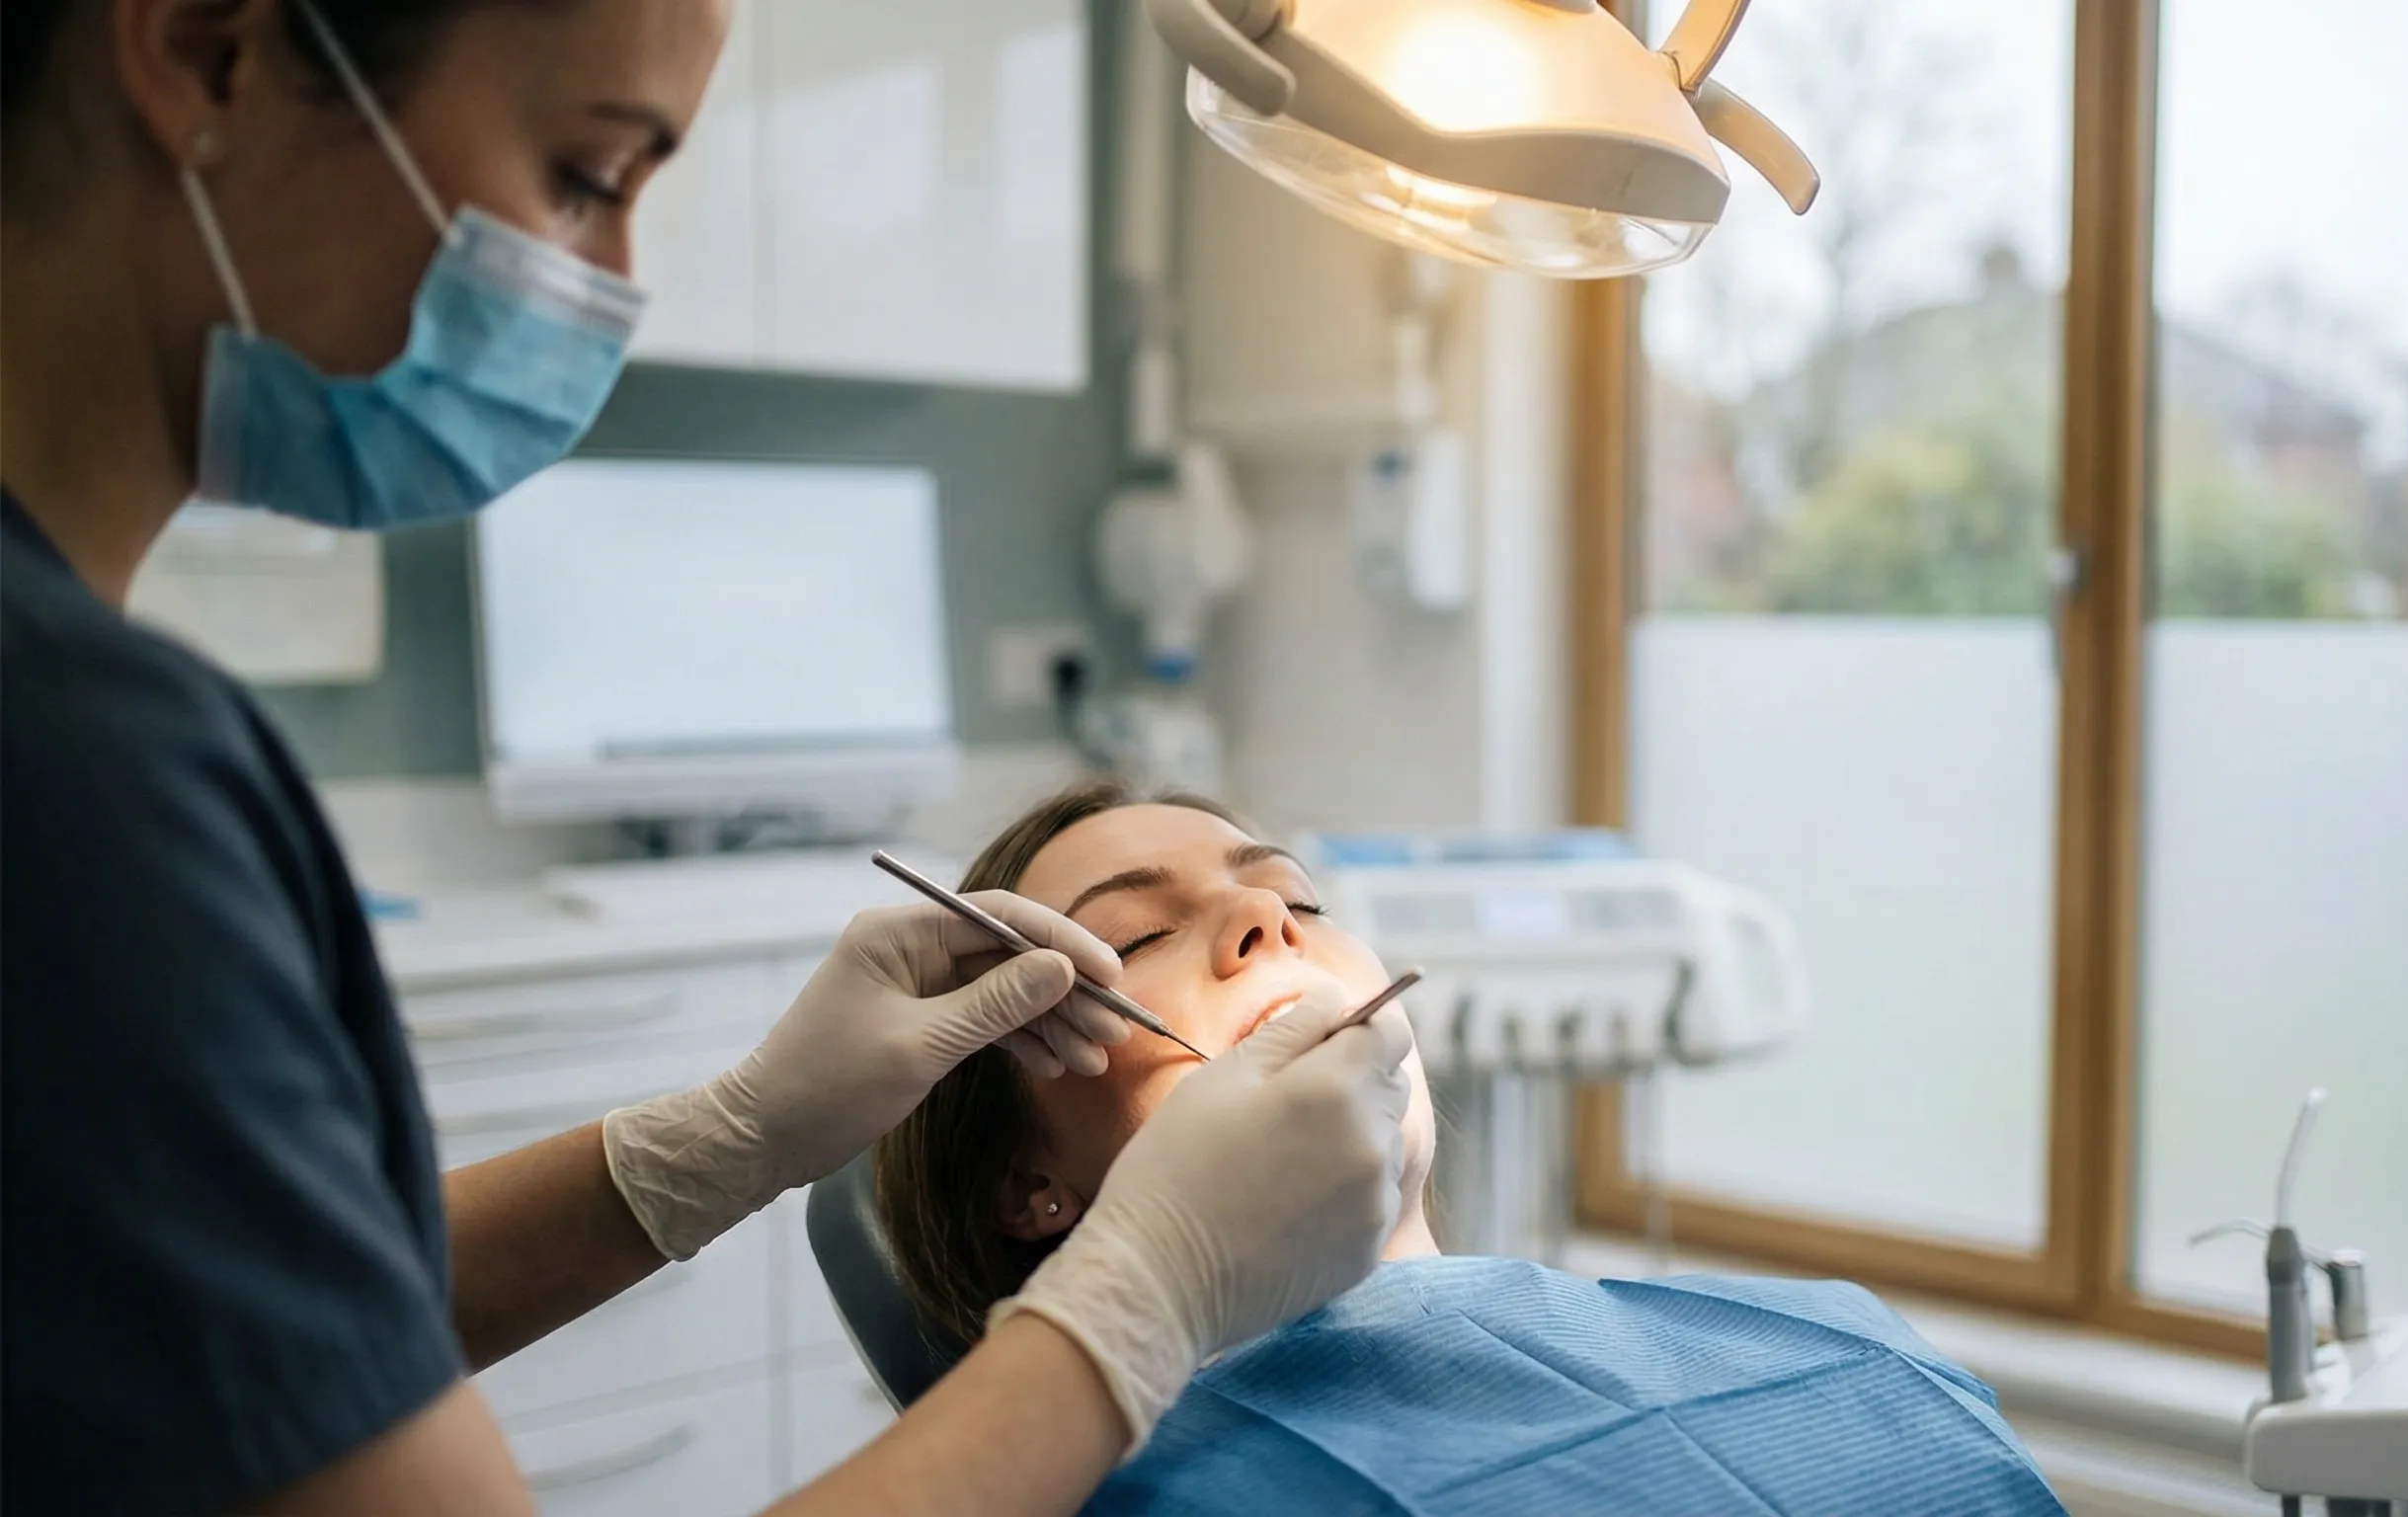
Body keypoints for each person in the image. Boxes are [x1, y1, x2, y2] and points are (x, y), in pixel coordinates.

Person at [0, 3, 1414, 1513]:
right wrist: (1138, 1305)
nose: (612, 283)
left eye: (1288, 894)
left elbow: (261, 1323)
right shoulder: (77, 783)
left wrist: (716, 1145)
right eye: (587, 177)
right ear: (214, 51)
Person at [873, 783, 2069, 1516]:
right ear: (1028, 1184)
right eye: (1134, 935)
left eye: (1296, 898)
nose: (1267, 921)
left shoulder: (1844, 1342)